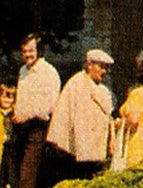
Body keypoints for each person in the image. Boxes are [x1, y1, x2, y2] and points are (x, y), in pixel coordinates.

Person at [3, 34, 60, 188]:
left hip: (37, 126)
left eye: (31, 51)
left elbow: (52, 104)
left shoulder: (48, 72)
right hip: (19, 126)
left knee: (27, 175)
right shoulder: (22, 71)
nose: (27, 55)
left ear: (39, 51)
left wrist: (29, 114)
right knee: (15, 174)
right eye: (24, 51)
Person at [47, 49, 115, 180]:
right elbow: (72, 119)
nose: (104, 72)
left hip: (98, 148)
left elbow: (108, 116)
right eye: (101, 67)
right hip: (79, 150)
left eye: (106, 68)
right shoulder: (77, 84)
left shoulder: (103, 90)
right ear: (89, 65)